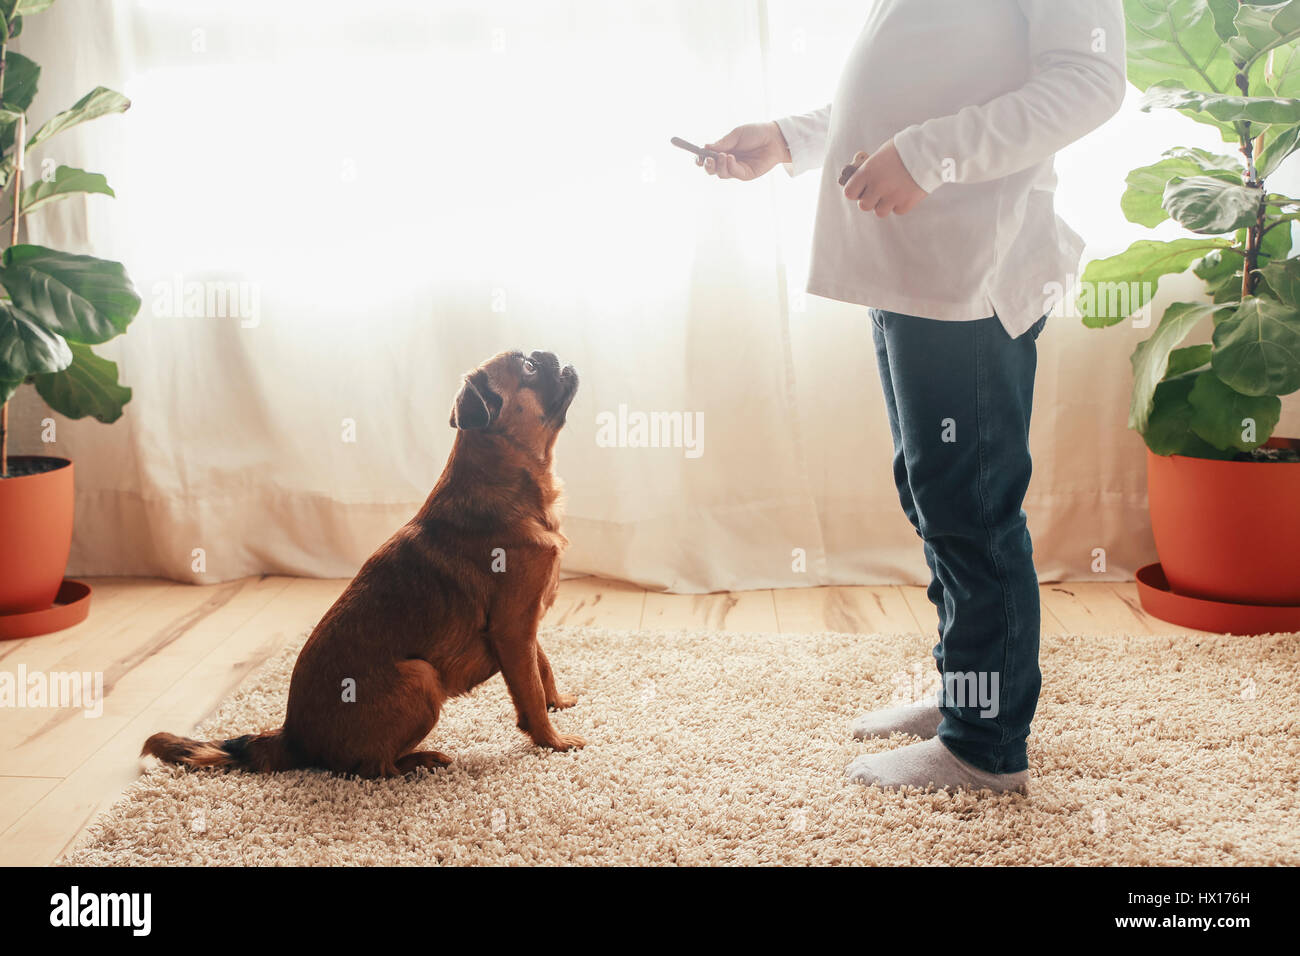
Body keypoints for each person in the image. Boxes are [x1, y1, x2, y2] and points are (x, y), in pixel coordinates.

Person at [700, 0, 1126, 793]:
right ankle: (967, 690)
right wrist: (791, 139)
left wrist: (929, 157)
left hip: (970, 269)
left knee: (970, 507)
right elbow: (910, 90)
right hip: (914, 261)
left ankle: (984, 747)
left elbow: (1091, 82)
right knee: (935, 495)